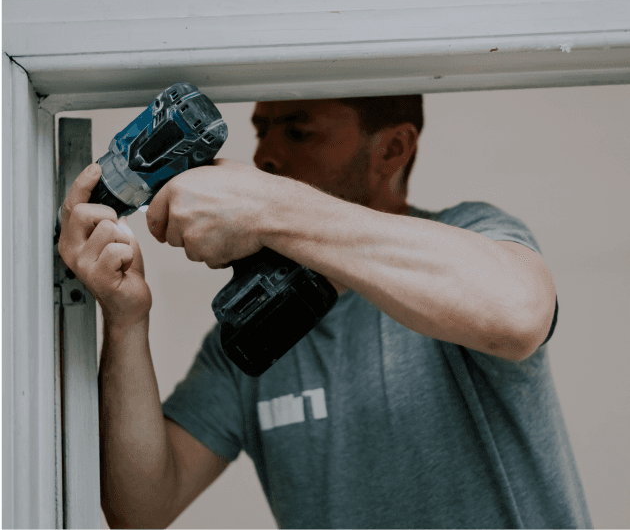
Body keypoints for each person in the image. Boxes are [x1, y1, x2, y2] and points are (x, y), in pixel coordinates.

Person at [58, 95, 593, 529]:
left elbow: (519, 313)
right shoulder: (252, 332)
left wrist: (266, 205)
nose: (265, 155)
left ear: (392, 150)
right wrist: (126, 320)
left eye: (298, 131)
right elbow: (141, 509)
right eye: (262, 129)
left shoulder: (469, 237)